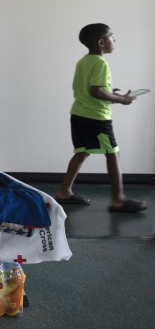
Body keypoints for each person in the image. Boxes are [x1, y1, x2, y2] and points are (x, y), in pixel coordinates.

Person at [54, 24, 146, 213]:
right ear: (101, 42)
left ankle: (64, 191)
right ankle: (118, 199)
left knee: (82, 151)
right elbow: (96, 92)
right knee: (113, 153)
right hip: (96, 118)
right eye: (112, 36)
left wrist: (111, 94)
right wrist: (121, 99)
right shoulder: (101, 63)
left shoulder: (83, 61)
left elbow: (87, 90)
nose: (115, 40)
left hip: (78, 114)